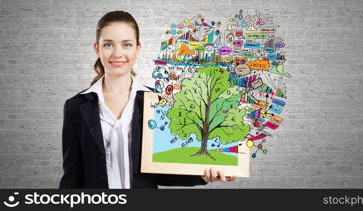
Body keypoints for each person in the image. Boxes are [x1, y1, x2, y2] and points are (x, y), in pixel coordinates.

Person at [59, 10, 236, 188]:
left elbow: (161, 172)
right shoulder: (76, 107)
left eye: (126, 45)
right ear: (97, 48)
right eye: (108, 45)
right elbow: (72, 176)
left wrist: (203, 176)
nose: (117, 53)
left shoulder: (157, 102)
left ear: (138, 49)